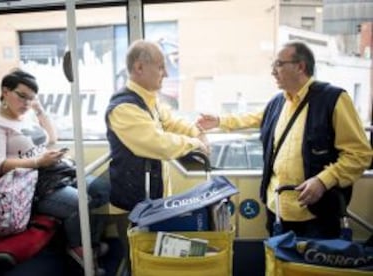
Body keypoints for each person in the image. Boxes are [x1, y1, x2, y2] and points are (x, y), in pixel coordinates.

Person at [197, 41, 372, 239]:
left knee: (310, 269)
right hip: (277, 210)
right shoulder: (278, 102)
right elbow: (254, 118)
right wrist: (219, 121)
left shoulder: (334, 100)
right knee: (277, 267)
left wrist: (323, 181)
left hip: (316, 214)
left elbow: (360, 155)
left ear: (300, 67)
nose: (273, 71)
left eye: (279, 64)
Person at [0, 69, 108, 275]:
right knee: (80, 201)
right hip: (27, 185)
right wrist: (37, 161)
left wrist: (38, 109)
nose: (26, 102)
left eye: (31, 98)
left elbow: (51, 137)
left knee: (101, 190)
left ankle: (91, 243)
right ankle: (79, 251)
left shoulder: (25, 115)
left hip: (50, 172)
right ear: (5, 91)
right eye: (22, 96)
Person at [105, 39, 209, 212]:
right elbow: (159, 144)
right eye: (161, 67)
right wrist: (196, 144)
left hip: (153, 196)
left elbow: (169, 122)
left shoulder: (149, 100)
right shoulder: (124, 108)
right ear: (139, 68)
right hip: (134, 205)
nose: (166, 74)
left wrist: (196, 131)